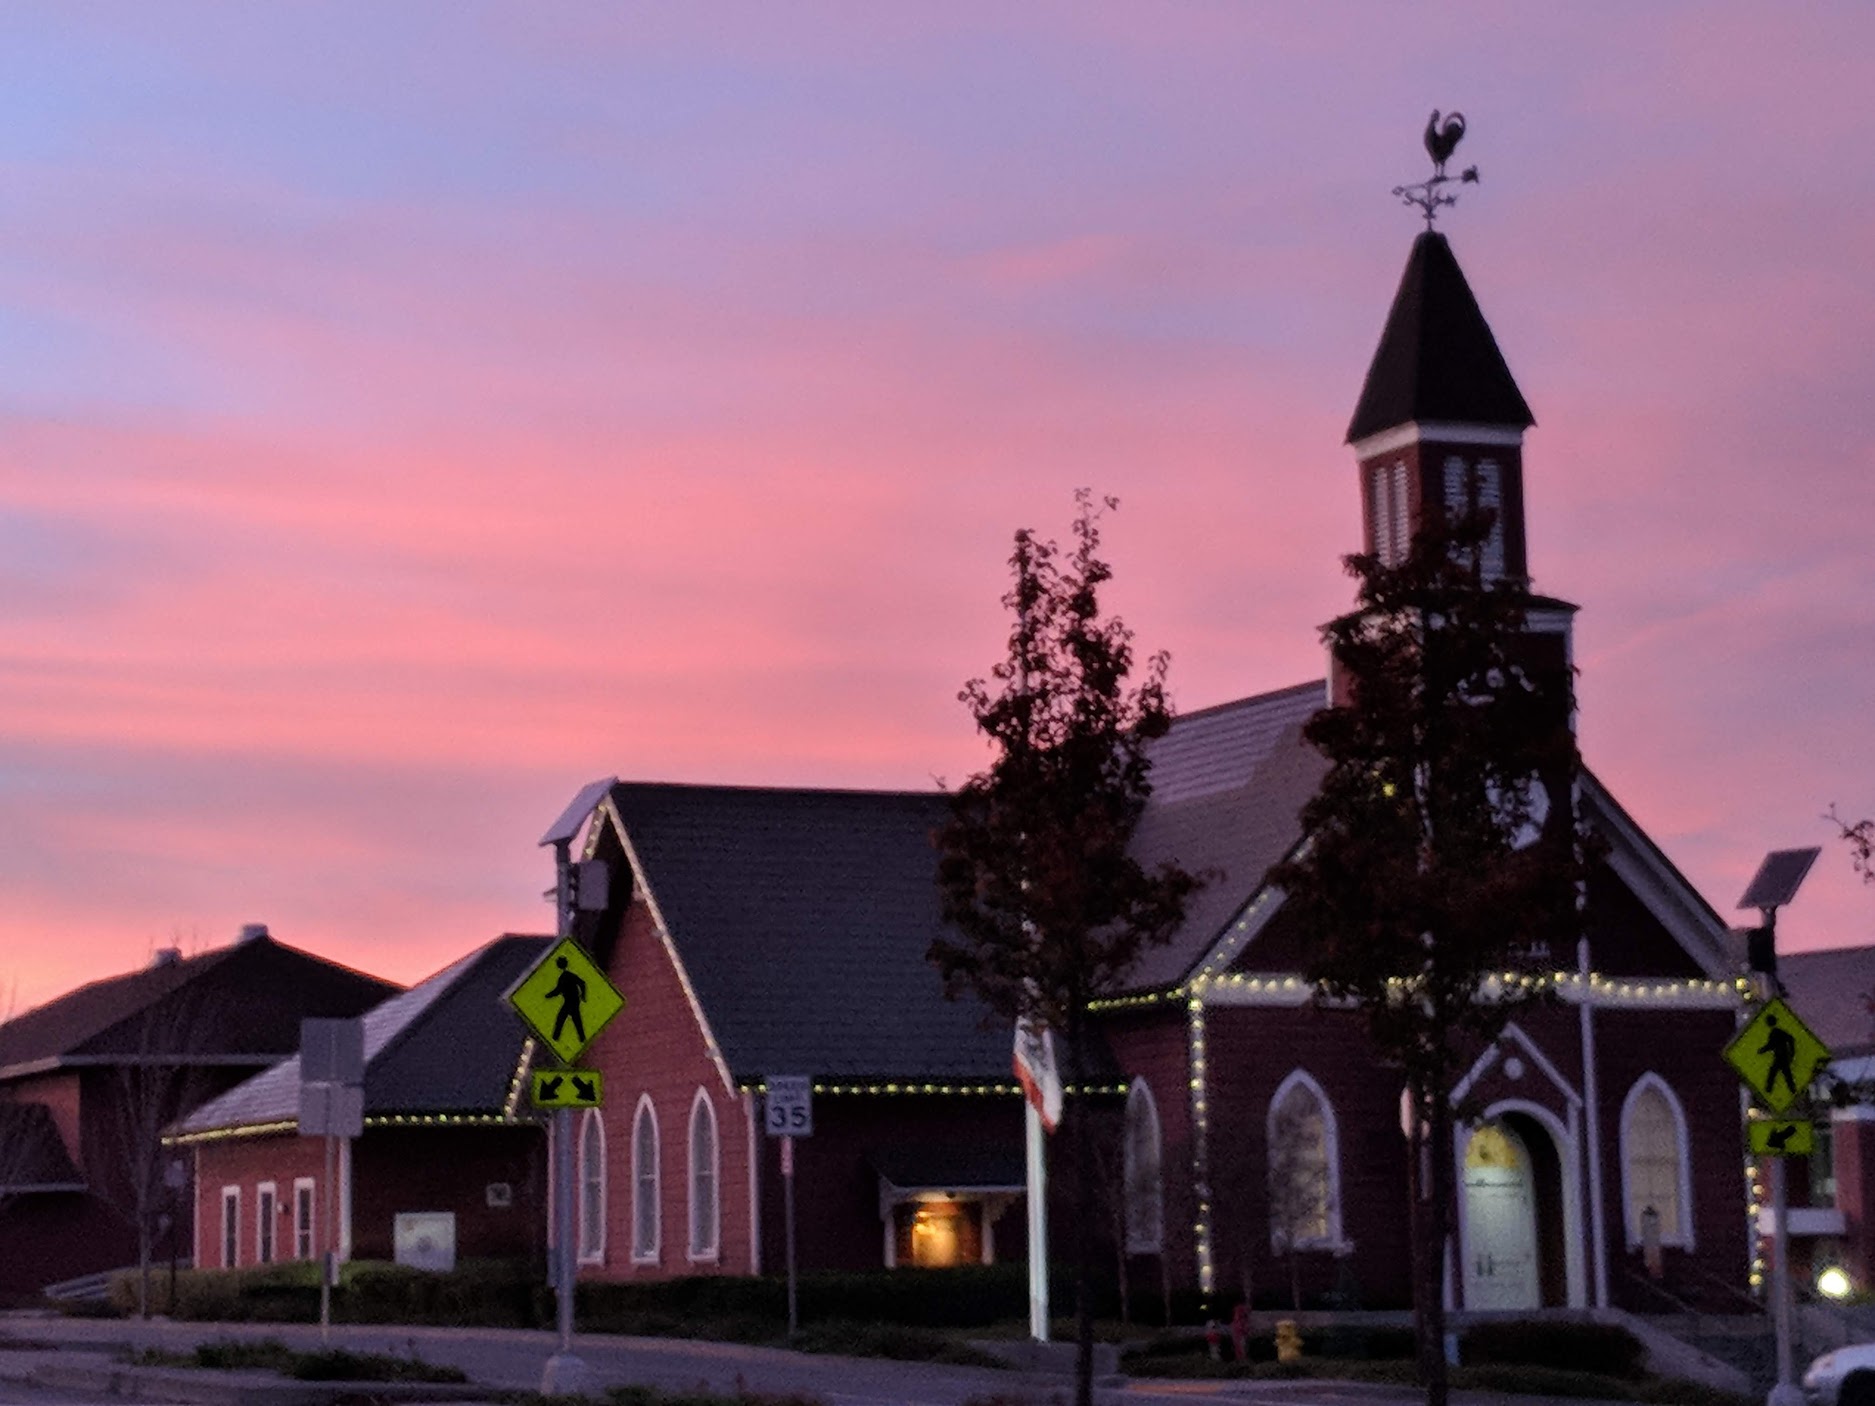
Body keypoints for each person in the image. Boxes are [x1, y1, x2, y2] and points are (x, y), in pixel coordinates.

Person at [547, 956, 587, 1045]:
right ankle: (581, 1038)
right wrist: (582, 996)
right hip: (572, 1001)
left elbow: (558, 990)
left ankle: (555, 1038)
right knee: (575, 1019)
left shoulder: (565, 976)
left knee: (562, 1018)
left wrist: (547, 996)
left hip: (571, 1001)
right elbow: (582, 983)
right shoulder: (567, 975)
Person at [1759, 1013, 1798, 1098]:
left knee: (1777, 1073)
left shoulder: (1776, 1032)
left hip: (1781, 1057)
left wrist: (1762, 1050)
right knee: (1783, 1073)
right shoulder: (1776, 1032)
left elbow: (1771, 1045)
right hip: (1780, 1056)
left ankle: (1769, 1090)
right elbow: (1772, 1045)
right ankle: (1791, 1090)